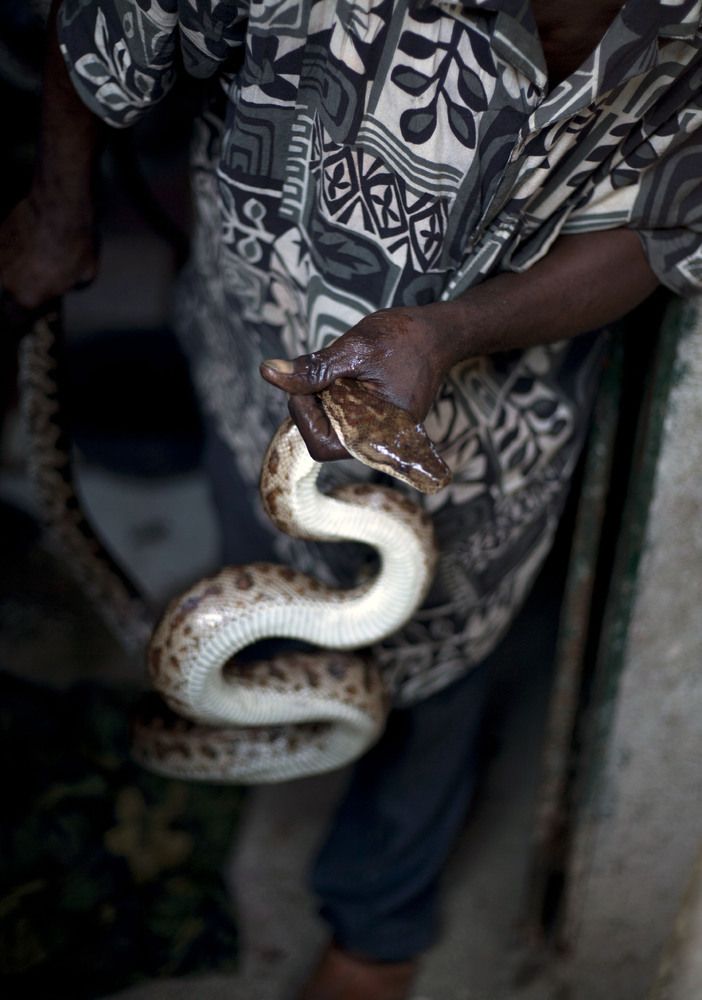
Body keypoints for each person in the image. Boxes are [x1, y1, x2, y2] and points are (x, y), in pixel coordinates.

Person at [2, 1, 701, 997]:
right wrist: (58, 208)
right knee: (266, 582)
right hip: (257, 342)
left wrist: (451, 333)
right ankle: (290, 733)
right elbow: (104, 27)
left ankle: (378, 929)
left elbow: (668, 223)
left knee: (449, 669)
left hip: (507, 425)